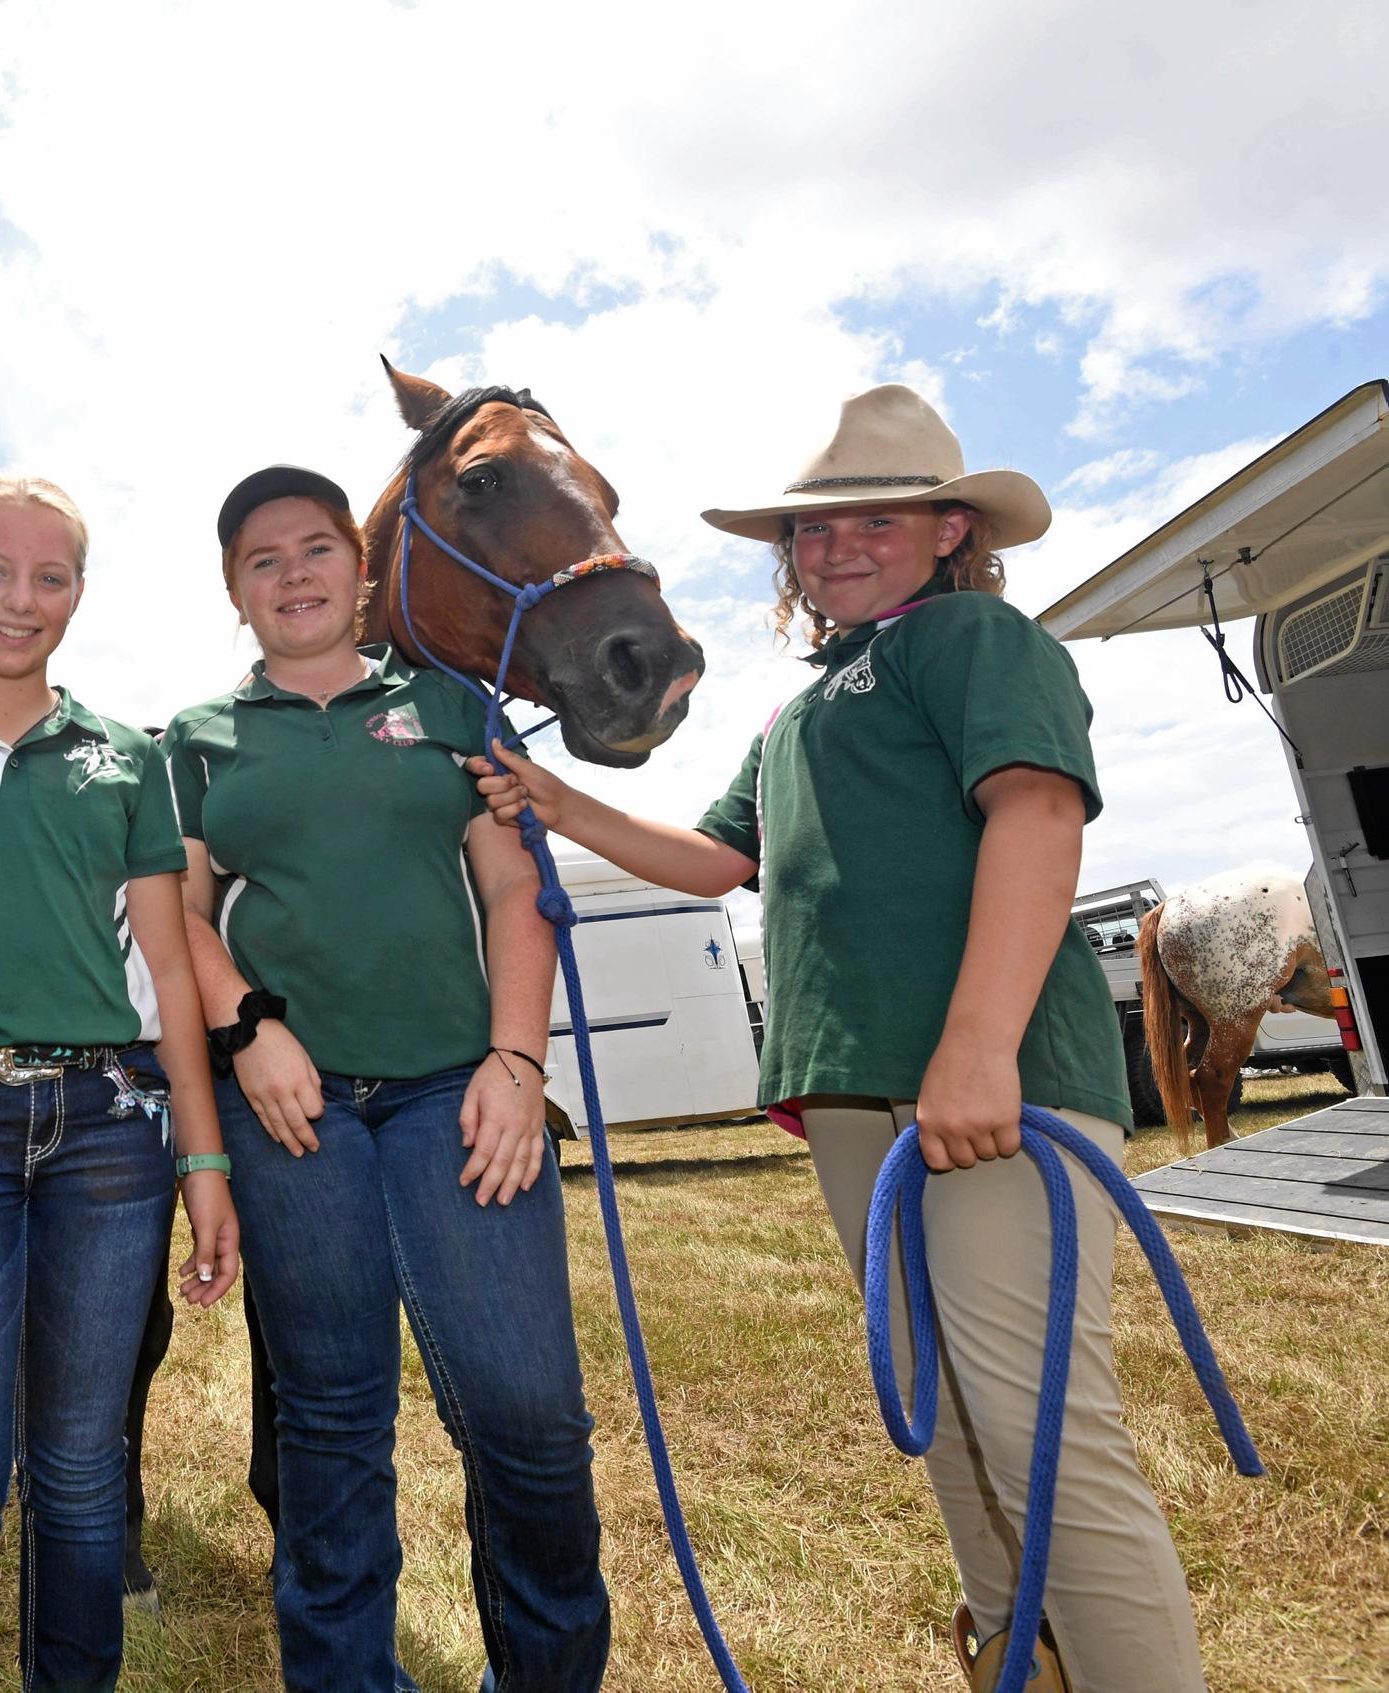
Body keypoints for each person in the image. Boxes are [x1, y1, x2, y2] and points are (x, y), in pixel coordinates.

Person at [476, 385, 1201, 1692]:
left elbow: (1035, 816)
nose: (836, 548)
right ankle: (1017, 1664)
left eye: (874, 519)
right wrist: (555, 800)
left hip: (992, 1092)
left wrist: (978, 1047)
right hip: (859, 1104)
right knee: (952, 1420)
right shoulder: (797, 711)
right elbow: (711, 861)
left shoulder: (976, 640)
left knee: (1040, 1435)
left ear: (945, 529)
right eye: (810, 532)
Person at [168, 465, 610, 1693]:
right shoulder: (200, 741)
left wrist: (519, 1062)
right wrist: (249, 1027)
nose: (295, 573)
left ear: (359, 572)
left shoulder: (454, 704)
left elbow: (518, 888)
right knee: (330, 1415)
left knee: (527, 1412)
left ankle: (548, 1675)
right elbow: (183, 918)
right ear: (234, 591)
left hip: (454, 1092)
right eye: (263, 559)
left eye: (316, 548)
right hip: (295, 1106)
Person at [0, 474, 238, 1692]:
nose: (23, 599)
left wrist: (207, 1158)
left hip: (109, 1138)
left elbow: (172, 972)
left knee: (79, 1466)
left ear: (79, 591)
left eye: (52, 576)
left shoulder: (126, 758)